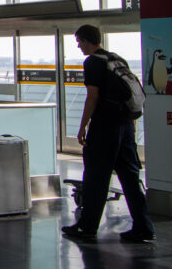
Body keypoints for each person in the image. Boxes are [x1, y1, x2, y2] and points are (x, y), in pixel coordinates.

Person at [64, 24, 155, 243]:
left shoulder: (93, 62)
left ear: (87, 41)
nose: (79, 47)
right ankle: (143, 226)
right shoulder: (117, 59)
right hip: (125, 127)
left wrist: (83, 125)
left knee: (96, 176)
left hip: (105, 127)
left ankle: (87, 226)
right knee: (131, 177)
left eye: (79, 43)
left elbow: (92, 97)